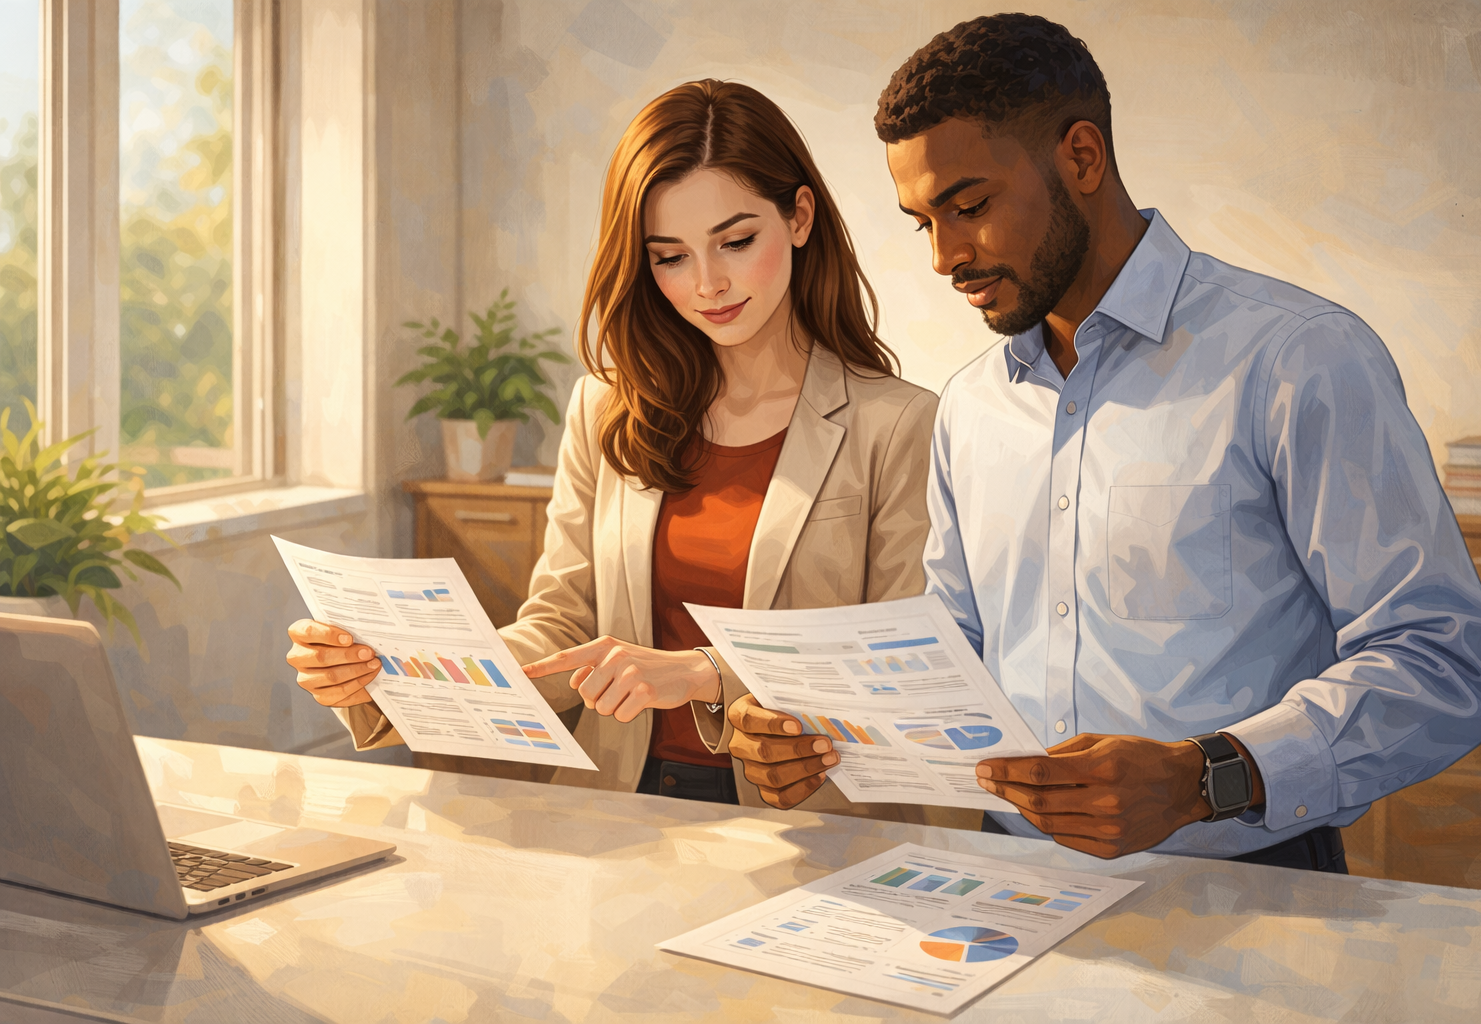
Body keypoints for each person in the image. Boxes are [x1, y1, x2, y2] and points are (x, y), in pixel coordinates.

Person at [729, 12, 1481, 872]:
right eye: (923, 223)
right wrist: (816, 729)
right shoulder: (971, 407)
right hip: (1011, 888)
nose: (946, 256)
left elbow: (1441, 664)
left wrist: (1201, 779)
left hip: (1252, 893)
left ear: (1082, 157)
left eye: (971, 206)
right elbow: (954, 649)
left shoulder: (1298, 359)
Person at [284, 80, 977, 829]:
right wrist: (395, 673)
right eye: (670, 257)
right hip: (617, 807)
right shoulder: (607, 408)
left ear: (800, 216)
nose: (707, 283)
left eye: (736, 242)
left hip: (811, 821)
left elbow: (897, 665)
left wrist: (704, 675)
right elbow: (560, 628)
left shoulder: (897, 423)